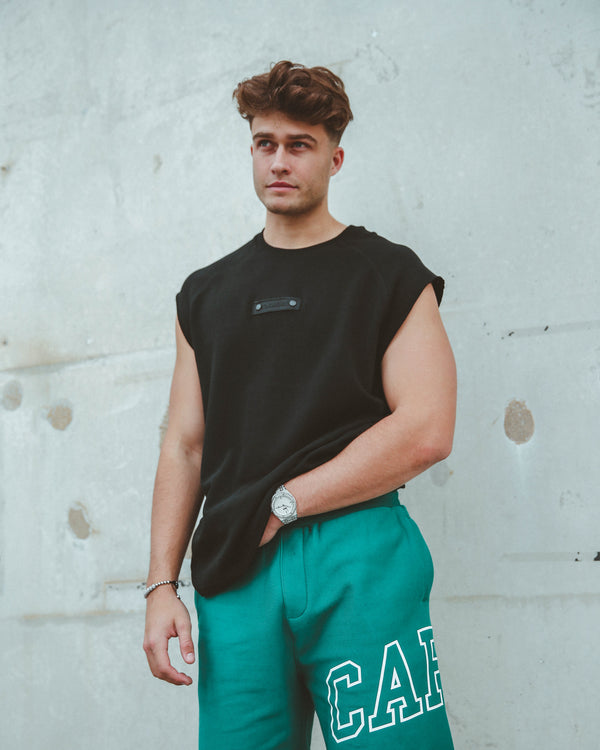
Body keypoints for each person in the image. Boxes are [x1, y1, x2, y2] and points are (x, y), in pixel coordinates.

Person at [143, 60, 457, 750]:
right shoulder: (205, 294)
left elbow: (427, 429)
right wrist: (161, 585)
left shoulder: (389, 274)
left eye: (299, 145)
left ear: (334, 158)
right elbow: (185, 444)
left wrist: (284, 503)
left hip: (358, 550)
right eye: (265, 143)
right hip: (236, 571)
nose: (279, 162)